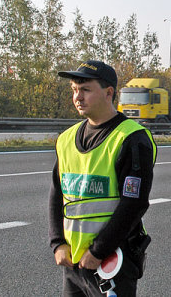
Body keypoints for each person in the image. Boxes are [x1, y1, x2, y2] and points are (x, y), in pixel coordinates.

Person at [49, 60, 156, 296]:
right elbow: (58, 194)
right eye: (74, 90)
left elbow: (134, 204)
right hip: (75, 263)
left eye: (86, 89)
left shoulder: (131, 138)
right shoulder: (66, 139)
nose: (78, 97)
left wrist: (99, 251)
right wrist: (57, 242)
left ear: (109, 93)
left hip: (111, 262)